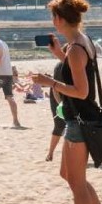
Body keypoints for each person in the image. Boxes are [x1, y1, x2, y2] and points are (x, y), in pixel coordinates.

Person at [31, 0, 102, 204]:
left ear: (60, 19)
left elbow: (82, 91)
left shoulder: (76, 48)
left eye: (53, 16)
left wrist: (49, 82)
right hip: (78, 119)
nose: (52, 21)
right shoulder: (79, 43)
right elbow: (79, 69)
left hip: (79, 120)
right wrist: (58, 54)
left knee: (76, 183)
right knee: (69, 175)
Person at [45, 34, 66, 162]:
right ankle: (50, 153)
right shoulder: (60, 66)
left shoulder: (74, 66)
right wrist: (61, 104)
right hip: (57, 99)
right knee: (59, 126)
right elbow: (55, 88)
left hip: (69, 99)